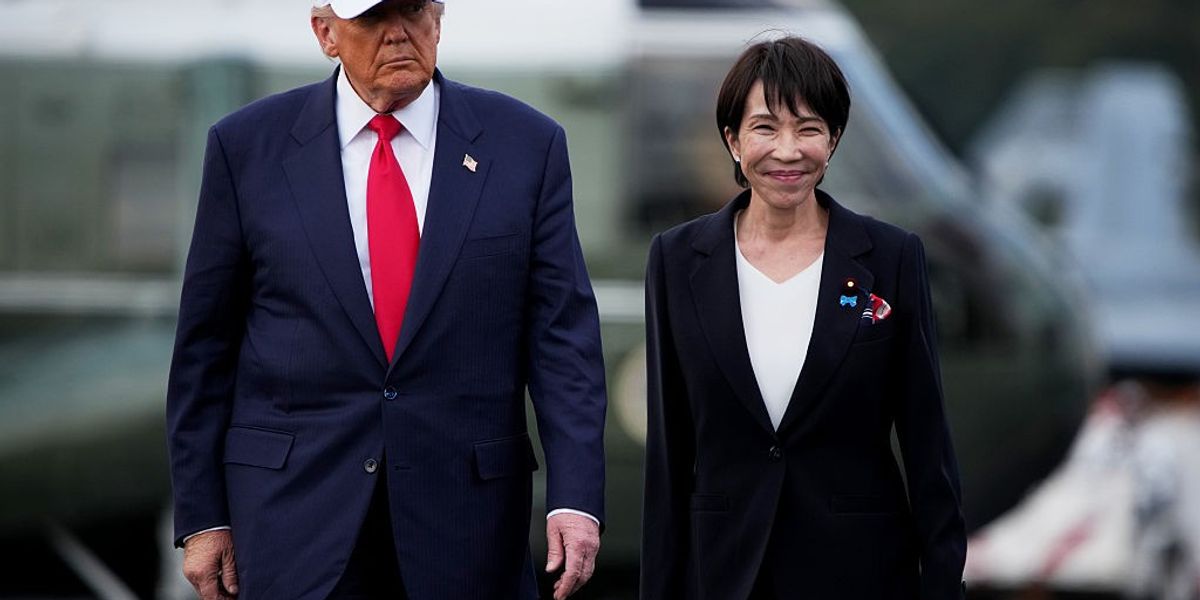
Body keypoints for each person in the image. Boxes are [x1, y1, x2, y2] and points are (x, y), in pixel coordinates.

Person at [166, 1, 607, 598]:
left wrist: (577, 500)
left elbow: (563, 341)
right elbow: (204, 349)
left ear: (439, 19)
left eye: (413, 10)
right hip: (294, 523)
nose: (399, 33)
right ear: (325, 33)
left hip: (467, 530)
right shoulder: (246, 149)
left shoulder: (527, 145)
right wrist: (202, 518)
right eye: (374, 17)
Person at [640, 36, 966, 599]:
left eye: (809, 129)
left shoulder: (890, 259)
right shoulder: (676, 261)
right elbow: (670, 458)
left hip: (858, 574)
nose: (788, 151)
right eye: (765, 127)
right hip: (721, 573)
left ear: (833, 140)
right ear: (732, 140)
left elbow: (928, 447)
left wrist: (942, 586)